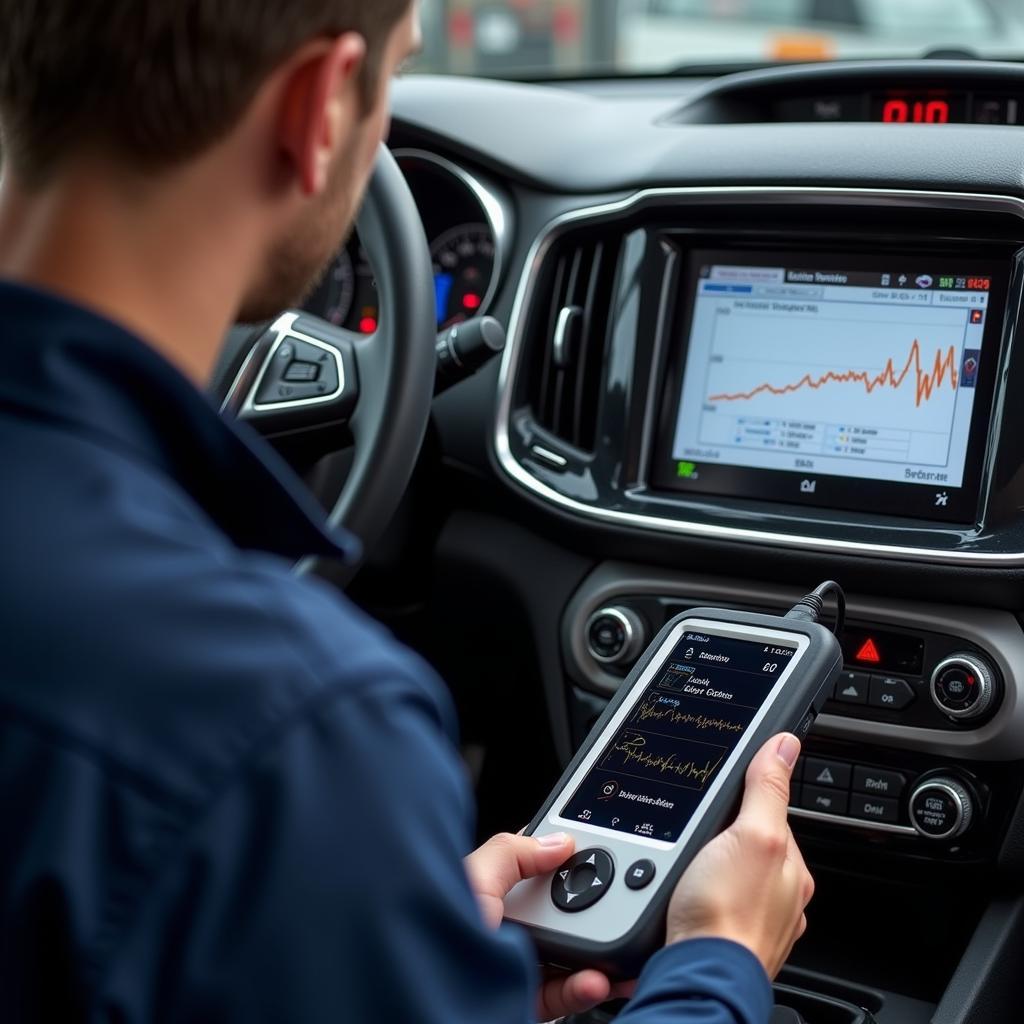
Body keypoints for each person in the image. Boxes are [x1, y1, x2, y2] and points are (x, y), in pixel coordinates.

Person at [0, 2, 814, 1021]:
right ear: (317, 107)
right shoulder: (293, 733)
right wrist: (721, 963)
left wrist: (397, 937)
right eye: (391, 85)